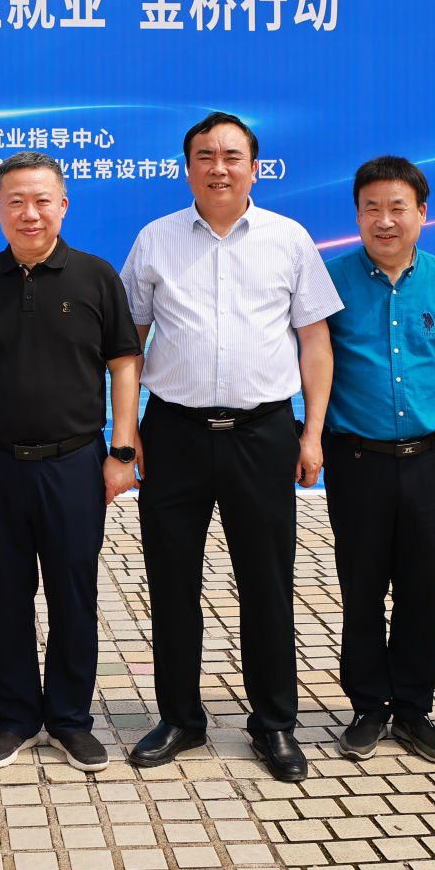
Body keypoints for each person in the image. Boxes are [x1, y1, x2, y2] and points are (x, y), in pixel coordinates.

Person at [121, 110, 342, 784]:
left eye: (232, 156)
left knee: (267, 584)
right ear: (187, 167)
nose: (219, 168)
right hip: (175, 433)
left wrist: (311, 433)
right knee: (172, 583)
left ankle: (273, 723)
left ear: (254, 167)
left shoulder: (288, 239)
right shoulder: (155, 240)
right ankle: (180, 718)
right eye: (205, 157)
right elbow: (128, 344)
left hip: (262, 433)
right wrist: (126, 435)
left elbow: (315, 342)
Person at [0, 152, 141, 772]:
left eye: (42, 201)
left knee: (73, 594)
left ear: (63, 206)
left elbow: (124, 364)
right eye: (16, 203)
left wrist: (122, 451)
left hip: (75, 462)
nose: (30, 214)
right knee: (7, 595)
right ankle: (15, 718)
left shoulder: (96, 276)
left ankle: (71, 720)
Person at [322, 157, 435, 764]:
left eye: (397, 208)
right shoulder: (330, 282)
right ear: (357, 215)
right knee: (361, 586)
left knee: (420, 586)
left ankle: (413, 707)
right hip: (356, 458)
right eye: (371, 209)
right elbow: (313, 366)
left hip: (430, 458)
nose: (384, 221)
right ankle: (368, 705)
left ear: (422, 214)